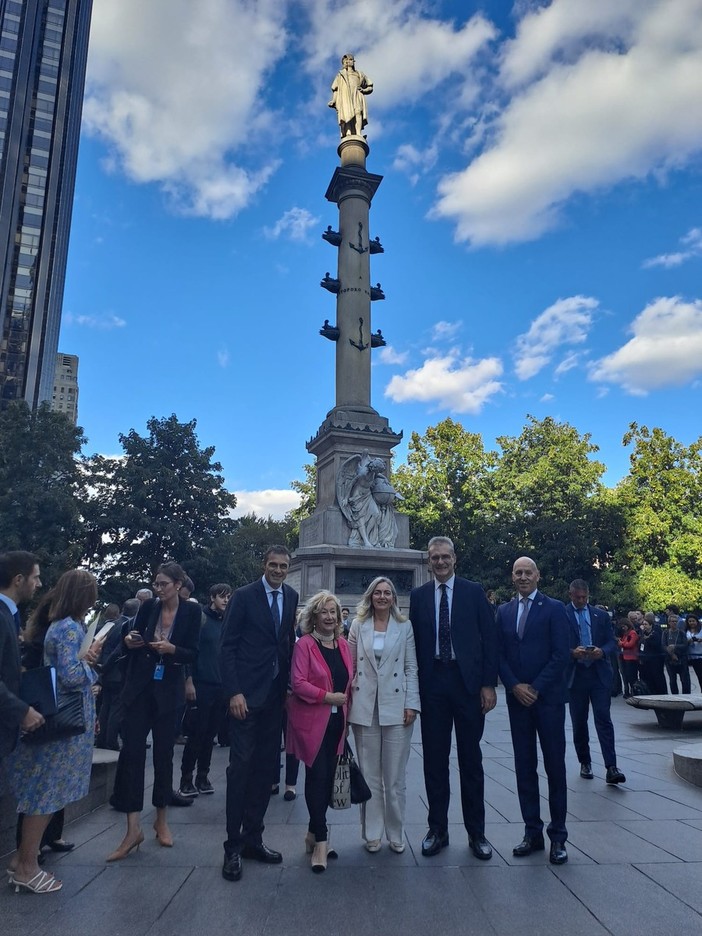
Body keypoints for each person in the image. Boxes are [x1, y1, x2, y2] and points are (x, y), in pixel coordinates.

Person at [6, 569, 100, 894]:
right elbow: (71, 675)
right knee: (46, 795)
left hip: (55, 718)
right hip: (64, 726)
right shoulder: (71, 628)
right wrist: (90, 664)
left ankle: (21, 861)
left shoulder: (57, 626)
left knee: (42, 793)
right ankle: (28, 867)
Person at [410, 536, 498, 861]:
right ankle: (438, 830)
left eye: (445, 557)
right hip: (433, 684)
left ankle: (477, 834)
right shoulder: (419, 597)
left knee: (470, 761)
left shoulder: (473, 592)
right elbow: (413, 645)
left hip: (467, 686)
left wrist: (488, 684)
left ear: (454, 559)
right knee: (434, 761)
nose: (441, 563)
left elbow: (489, 639)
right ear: (428, 561)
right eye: (435, 558)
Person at [107, 562, 201, 861]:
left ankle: (161, 818)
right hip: (139, 689)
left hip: (168, 691)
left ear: (177, 584)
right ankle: (132, 828)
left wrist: (172, 650)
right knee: (132, 754)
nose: (158, 589)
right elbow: (132, 636)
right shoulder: (148, 608)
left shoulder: (191, 612)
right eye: (156, 584)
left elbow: (192, 652)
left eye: (163, 584)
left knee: (163, 756)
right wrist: (130, 640)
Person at [220, 546, 298, 883]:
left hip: (275, 697)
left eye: (283, 566)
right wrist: (234, 691)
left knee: (266, 769)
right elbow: (227, 646)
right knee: (240, 768)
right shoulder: (244, 596)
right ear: (263, 565)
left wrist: (292, 685)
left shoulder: (292, 596)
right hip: (246, 697)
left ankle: (254, 837)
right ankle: (232, 846)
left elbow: (285, 644)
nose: (278, 570)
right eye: (273, 565)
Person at [497, 557, 570, 865]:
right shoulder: (503, 611)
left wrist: (535, 687)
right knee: (524, 768)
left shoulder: (554, 609)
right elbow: (498, 654)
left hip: (548, 700)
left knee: (555, 768)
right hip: (518, 702)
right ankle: (532, 832)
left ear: (538, 575)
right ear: (512, 577)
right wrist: (514, 686)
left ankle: (558, 837)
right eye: (518, 572)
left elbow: (561, 654)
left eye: (528, 572)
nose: (523, 577)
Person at [347, 576, 420, 853]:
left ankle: (396, 831)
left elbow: (412, 668)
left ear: (394, 598)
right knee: (370, 774)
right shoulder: (357, 625)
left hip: (397, 706)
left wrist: (411, 703)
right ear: (370, 596)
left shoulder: (405, 626)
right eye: (377, 592)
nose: (382, 597)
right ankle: (372, 833)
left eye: (387, 592)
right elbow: (350, 666)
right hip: (365, 707)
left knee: (395, 778)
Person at [286, 590, 352, 872]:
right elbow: (298, 683)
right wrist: (328, 697)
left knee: (327, 780)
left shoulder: (343, 645)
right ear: (313, 616)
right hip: (313, 722)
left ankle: (313, 834)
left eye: (333, 612)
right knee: (317, 776)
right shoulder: (304, 645)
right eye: (323, 612)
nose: (328, 617)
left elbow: (350, 680)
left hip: (338, 723)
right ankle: (322, 841)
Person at [566, 580, 626, 785]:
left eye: (585, 597)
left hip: (599, 674)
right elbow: (555, 643)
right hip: (576, 675)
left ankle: (611, 766)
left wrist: (603, 651)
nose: (581, 601)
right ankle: (585, 761)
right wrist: (572, 652)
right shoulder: (562, 614)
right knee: (579, 721)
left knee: (603, 718)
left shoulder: (600, 615)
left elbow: (611, 641)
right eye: (578, 597)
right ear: (571, 595)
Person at [178, 583, 232, 797]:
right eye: (222, 596)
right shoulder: (200, 619)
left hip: (221, 685)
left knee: (211, 734)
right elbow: (190, 653)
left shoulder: (227, 622)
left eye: (228, 597)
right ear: (212, 597)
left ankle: (203, 775)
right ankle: (186, 778)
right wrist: (188, 681)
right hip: (201, 683)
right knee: (197, 733)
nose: (225, 600)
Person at [0, 551, 44, 762]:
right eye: (35, 577)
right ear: (18, 580)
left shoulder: (8, 615)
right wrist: (21, 711)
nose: (40, 583)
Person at [95, 597, 140, 750]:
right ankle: (111, 741)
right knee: (116, 709)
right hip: (117, 672)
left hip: (105, 673)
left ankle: (101, 738)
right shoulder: (128, 626)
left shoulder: (110, 625)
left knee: (105, 707)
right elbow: (118, 651)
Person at [328, 53, 373, 138]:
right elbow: (336, 89)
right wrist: (333, 100)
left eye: (351, 60)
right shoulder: (340, 75)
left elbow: (370, 86)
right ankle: (348, 133)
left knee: (358, 112)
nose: (350, 62)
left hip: (357, 95)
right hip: (345, 98)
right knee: (347, 114)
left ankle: (358, 133)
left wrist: (364, 90)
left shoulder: (360, 74)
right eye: (348, 60)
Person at [638, 615, 667, 694]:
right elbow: (641, 645)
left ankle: (661, 692)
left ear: (650, 625)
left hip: (655, 660)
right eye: (643, 624)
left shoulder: (655, 634)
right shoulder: (643, 634)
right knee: (648, 677)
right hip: (645, 659)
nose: (644, 626)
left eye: (646, 624)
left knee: (657, 677)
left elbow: (657, 645)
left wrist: (648, 639)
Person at [663, 612, 691, 694]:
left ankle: (686, 696)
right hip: (670, 660)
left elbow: (685, 645)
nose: (674, 623)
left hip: (682, 658)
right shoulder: (666, 633)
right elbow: (663, 645)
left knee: (685, 680)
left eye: (676, 621)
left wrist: (675, 646)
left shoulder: (681, 632)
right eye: (672, 621)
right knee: (672, 680)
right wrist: (671, 654)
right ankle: (674, 696)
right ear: (669, 623)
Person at [618, 618, 639, 698]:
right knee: (627, 675)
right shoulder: (626, 633)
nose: (623, 628)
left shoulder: (632, 633)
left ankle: (634, 692)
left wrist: (622, 643)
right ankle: (629, 691)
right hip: (625, 657)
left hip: (632, 657)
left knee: (632, 676)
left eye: (624, 626)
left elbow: (630, 644)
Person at [686, 614, 702, 691]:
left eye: (693, 621)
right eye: (690, 621)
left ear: (696, 621)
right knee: (699, 676)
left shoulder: (701, 630)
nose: (692, 623)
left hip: (700, 656)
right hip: (692, 656)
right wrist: (688, 641)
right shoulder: (687, 631)